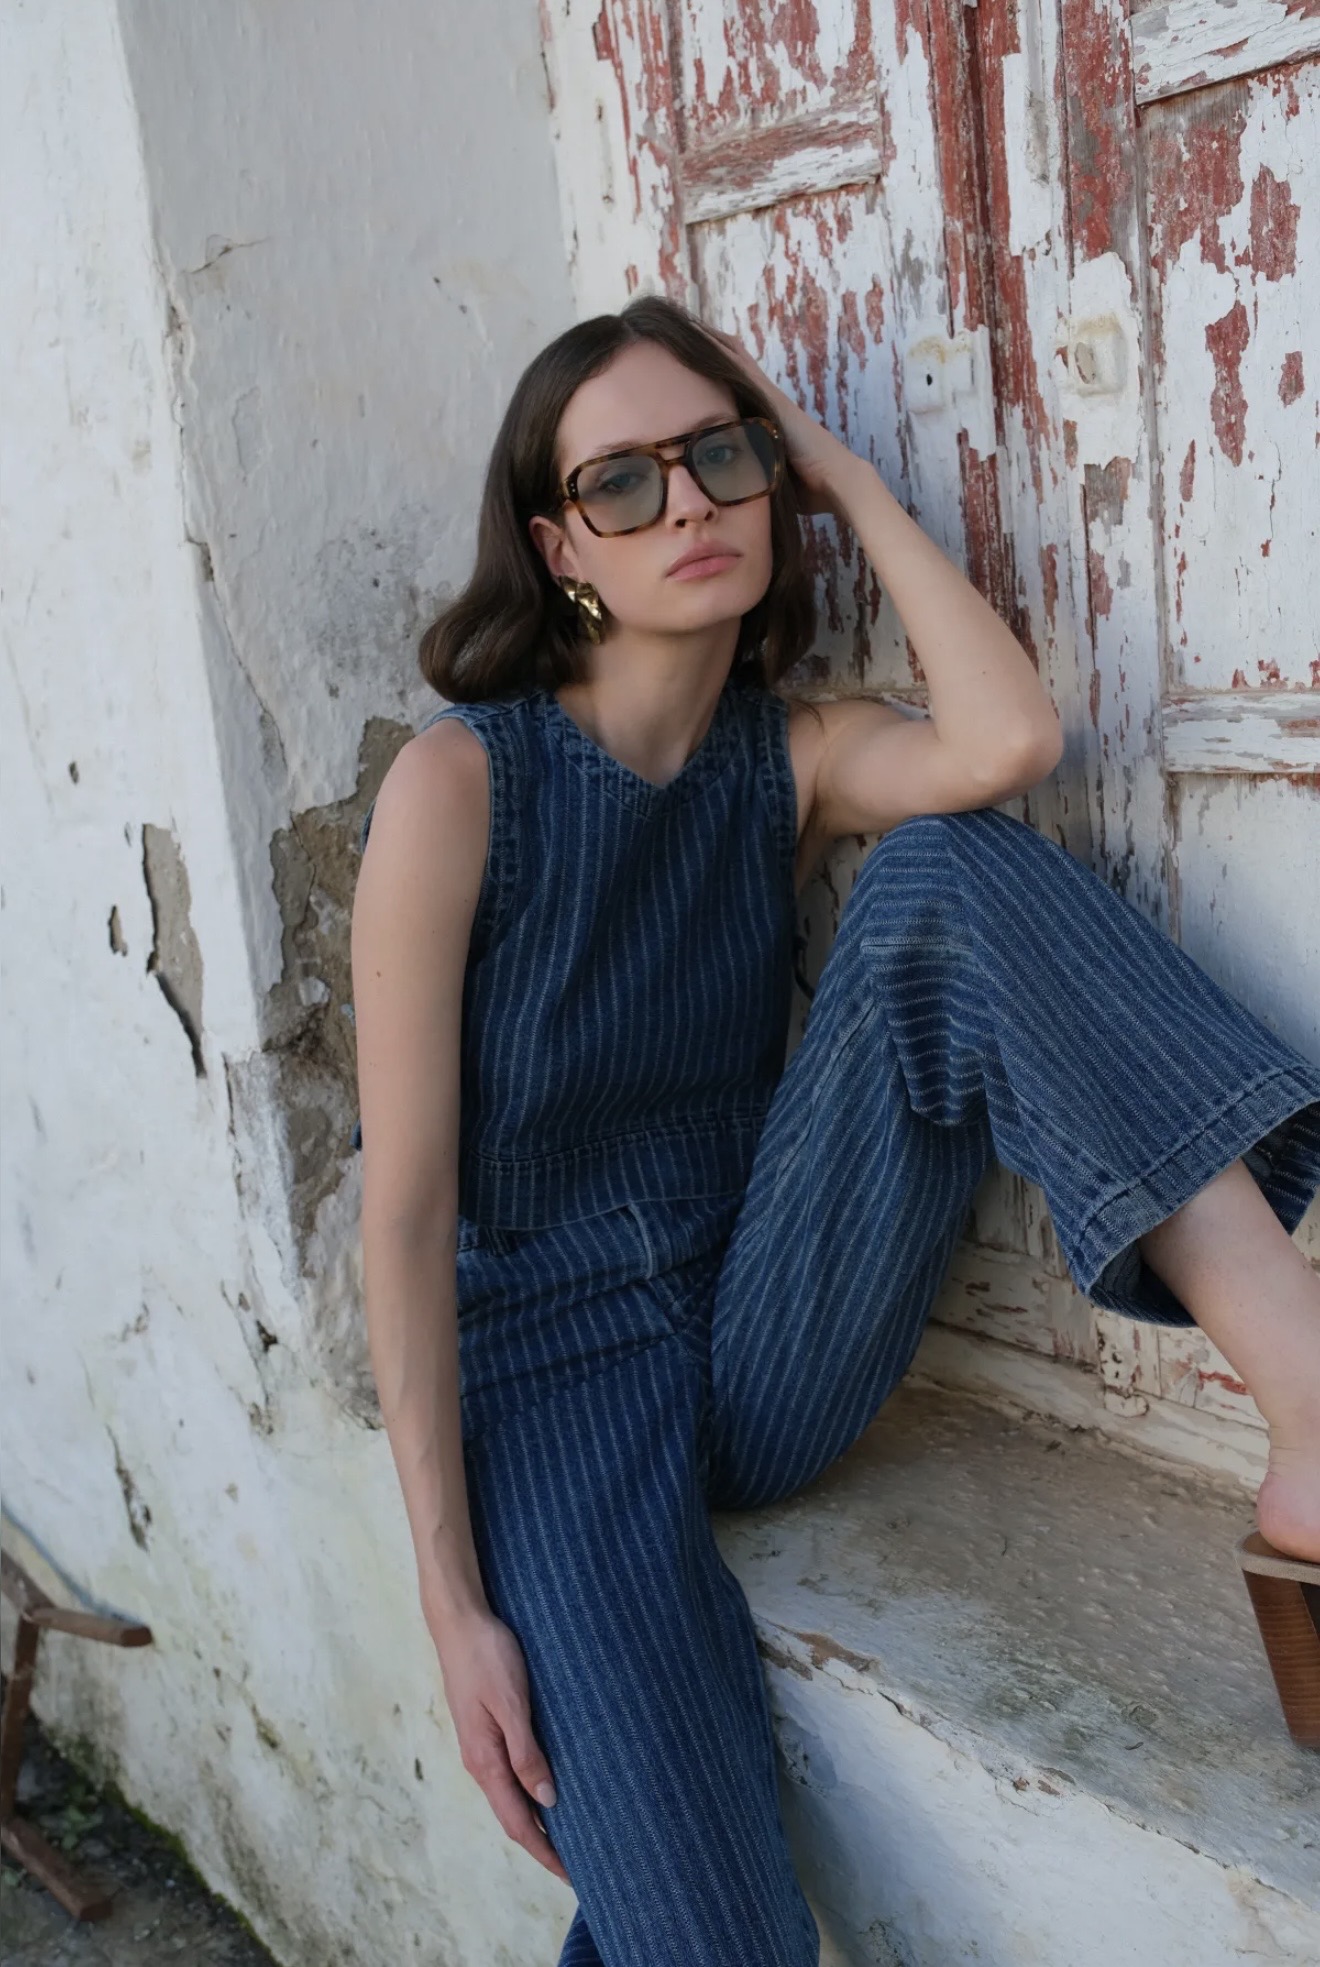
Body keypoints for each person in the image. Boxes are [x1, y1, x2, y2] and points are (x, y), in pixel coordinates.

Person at [349, 293, 1320, 1965]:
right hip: (554, 1391)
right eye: (624, 482)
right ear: (557, 548)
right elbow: (407, 1214)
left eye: (719, 457)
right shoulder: (459, 787)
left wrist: (843, 479)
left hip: (754, 1321)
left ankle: (1311, 1415)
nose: (688, 502)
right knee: (708, 1941)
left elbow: (1009, 741)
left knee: (949, 873)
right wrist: (454, 1601)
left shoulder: (781, 761)